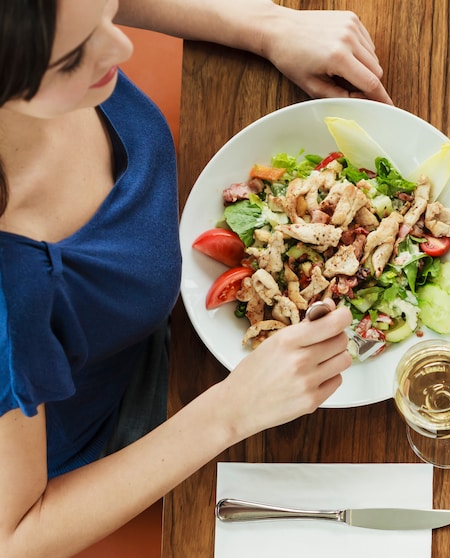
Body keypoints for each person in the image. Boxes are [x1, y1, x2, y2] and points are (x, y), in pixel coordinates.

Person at [0, 0, 389, 555]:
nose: (123, 47)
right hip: (111, 427)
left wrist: (266, 25)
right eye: (71, 58)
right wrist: (231, 411)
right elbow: (13, 538)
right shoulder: (8, 296)